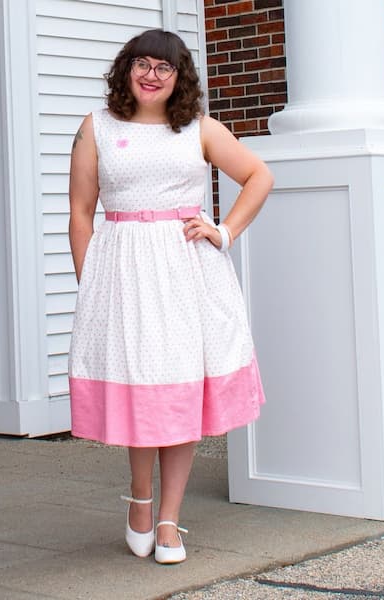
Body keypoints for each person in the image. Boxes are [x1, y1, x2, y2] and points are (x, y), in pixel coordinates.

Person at [68, 29, 274, 565]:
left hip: (187, 274)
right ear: (126, 69)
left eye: (165, 66)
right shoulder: (97, 129)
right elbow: (81, 212)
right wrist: (90, 284)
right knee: (143, 389)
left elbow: (258, 176)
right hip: (124, 272)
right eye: (143, 63)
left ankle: (167, 520)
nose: (152, 74)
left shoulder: (198, 129)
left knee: (178, 393)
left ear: (180, 76)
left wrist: (223, 231)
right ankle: (139, 498)